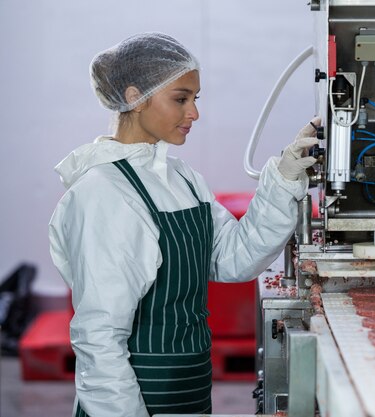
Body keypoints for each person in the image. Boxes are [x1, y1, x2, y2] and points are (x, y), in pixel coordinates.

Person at [48, 32, 318, 417]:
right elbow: (99, 337)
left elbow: (232, 258)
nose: (194, 113)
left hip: (188, 388)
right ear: (133, 97)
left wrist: (284, 179)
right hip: (133, 397)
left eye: (195, 99)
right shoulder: (103, 194)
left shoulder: (181, 179)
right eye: (181, 98)